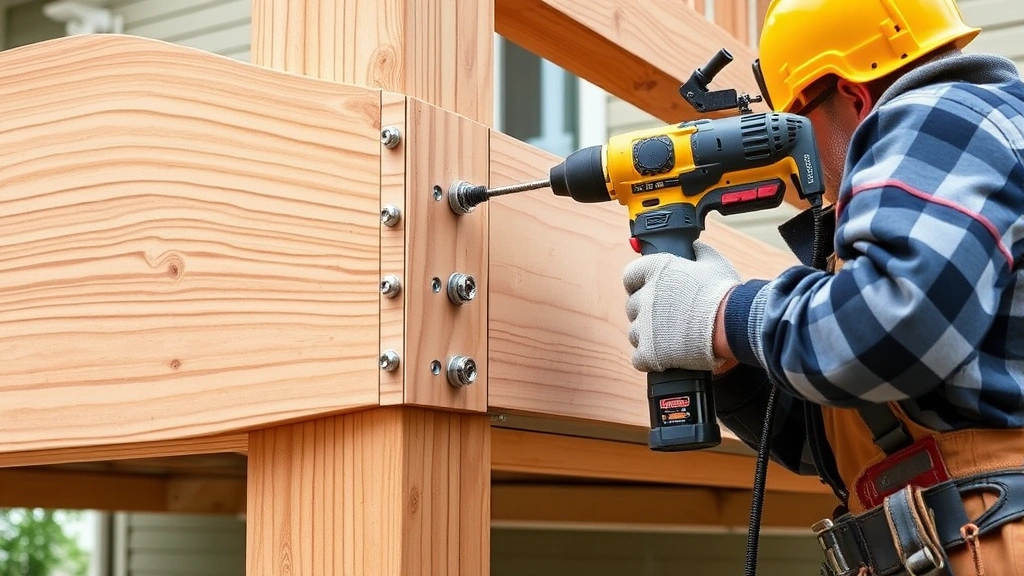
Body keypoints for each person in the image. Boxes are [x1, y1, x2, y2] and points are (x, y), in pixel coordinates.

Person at [622, 0, 1024, 574]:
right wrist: (727, 357)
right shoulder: (970, 156)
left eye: (796, 126)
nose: (795, 157)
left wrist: (724, 313)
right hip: (965, 532)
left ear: (852, 95)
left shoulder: (939, 114)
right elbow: (844, 438)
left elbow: (890, 330)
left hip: (987, 538)